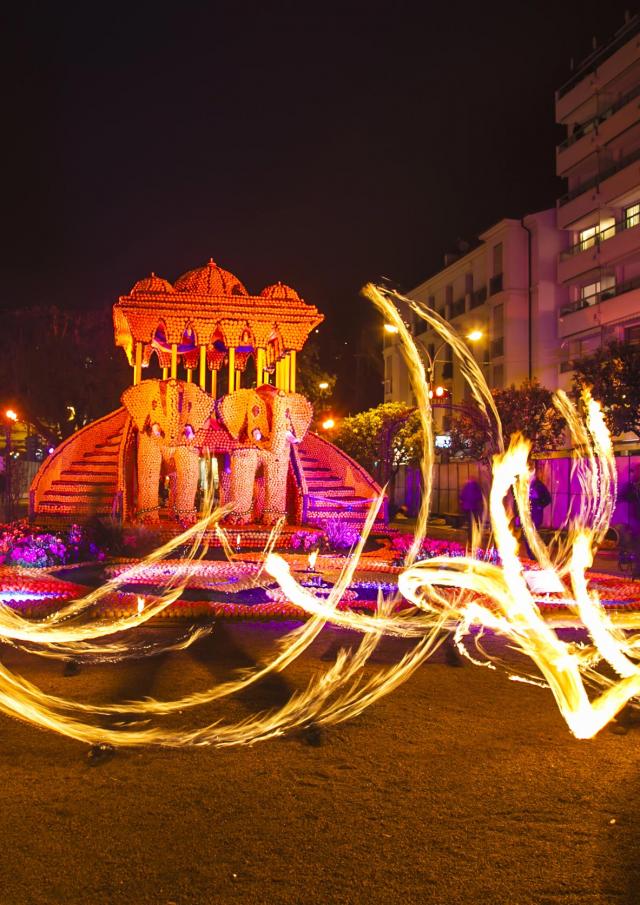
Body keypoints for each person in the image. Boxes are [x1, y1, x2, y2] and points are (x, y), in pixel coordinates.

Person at [459, 479, 484, 545]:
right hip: (474, 508)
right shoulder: (476, 487)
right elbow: (479, 496)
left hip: (467, 508)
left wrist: (462, 506)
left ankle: (470, 540)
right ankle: (475, 539)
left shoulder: (466, 487)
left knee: (470, 524)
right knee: (475, 523)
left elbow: (462, 496)